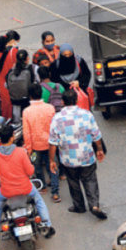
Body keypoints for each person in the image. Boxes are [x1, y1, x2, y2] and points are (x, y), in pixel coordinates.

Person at [0, 125, 55, 250]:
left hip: (6, 192)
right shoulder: (21, 152)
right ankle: (48, 226)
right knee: (39, 201)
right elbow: (30, 171)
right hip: (26, 189)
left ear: (0, 138)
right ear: (12, 137)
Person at [49, 89, 108, 219]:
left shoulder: (57, 118)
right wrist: (99, 149)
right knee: (90, 180)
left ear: (62, 102)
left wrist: (52, 160)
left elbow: (53, 142)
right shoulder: (87, 115)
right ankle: (94, 205)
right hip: (87, 156)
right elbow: (96, 135)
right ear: (76, 100)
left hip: (68, 159)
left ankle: (79, 206)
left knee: (73, 182)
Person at [22, 84, 60, 203]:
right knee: (52, 166)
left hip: (35, 146)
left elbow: (26, 133)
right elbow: (55, 127)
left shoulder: (27, 112)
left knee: (37, 167)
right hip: (50, 143)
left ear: (30, 95)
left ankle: (42, 186)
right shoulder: (50, 108)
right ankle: (55, 193)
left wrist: (28, 149)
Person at [0, 31, 19, 119]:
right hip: (12, 81)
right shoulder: (13, 52)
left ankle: (6, 120)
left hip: (2, 81)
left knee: (6, 104)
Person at [6, 49, 35, 124]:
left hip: (15, 102)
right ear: (27, 59)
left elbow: (6, 85)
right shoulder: (30, 69)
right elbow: (33, 83)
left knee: (17, 122)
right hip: (27, 102)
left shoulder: (10, 71)